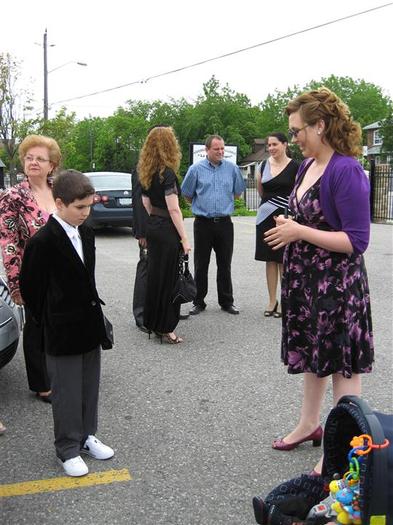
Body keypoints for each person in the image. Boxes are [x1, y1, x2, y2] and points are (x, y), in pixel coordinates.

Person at [264, 88, 374, 473]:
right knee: (315, 359)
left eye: (297, 131)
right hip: (309, 284)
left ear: (320, 125)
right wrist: (290, 226)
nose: (293, 138)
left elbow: (356, 241)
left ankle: (341, 450)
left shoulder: (347, 170)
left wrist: (299, 232)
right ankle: (310, 425)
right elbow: (307, 219)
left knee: (343, 366)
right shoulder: (308, 166)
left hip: (338, 287)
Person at [19, 170, 114, 477]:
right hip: (61, 330)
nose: (86, 214)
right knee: (67, 391)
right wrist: (50, 319)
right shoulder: (43, 242)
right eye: (80, 207)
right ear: (59, 203)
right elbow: (31, 289)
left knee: (89, 386)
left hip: (88, 325)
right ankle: (67, 447)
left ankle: (87, 435)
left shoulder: (86, 232)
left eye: (90, 207)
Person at [0, 134, 62, 403]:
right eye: (29, 158)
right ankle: (41, 383)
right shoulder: (13, 196)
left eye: (40, 158)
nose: (33, 162)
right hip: (33, 272)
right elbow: (8, 241)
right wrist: (15, 282)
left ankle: (60, 370)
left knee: (59, 321)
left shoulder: (60, 190)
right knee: (37, 326)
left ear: (52, 165)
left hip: (63, 270)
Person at [181, 135, 245, 315]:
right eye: (217, 149)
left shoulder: (232, 169)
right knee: (201, 264)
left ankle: (226, 301)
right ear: (207, 150)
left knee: (225, 264)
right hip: (203, 224)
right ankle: (198, 301)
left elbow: (237, 193)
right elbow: (187, 194)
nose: (221, 152)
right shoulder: (195, 169)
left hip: (225, 224)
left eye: (223, 148)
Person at [138, 126, 191, 344]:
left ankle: (153, 323)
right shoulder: (167, 173)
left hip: (153, 227)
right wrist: (184, 238)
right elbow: (174, 209)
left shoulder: (146, 172)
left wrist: (155, 221)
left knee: (154, 277)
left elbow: (146, 204)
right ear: (170, 146)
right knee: (169, 278)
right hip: (167, 229)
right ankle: (167, 327)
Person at [255, 133, 298, 318]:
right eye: (269, 145)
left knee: (283, 259)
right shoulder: (263, 165)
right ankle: (272, 300)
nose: (271, 148)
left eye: (275, 144)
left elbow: (299, 193)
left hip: (286, 218)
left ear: (285, 145)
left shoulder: (296, 166)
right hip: (265, 217)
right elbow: (261, 190)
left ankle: (284, 299)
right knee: (269, 259)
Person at [131, 170, 150, 333]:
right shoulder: (142, 167)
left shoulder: (165, 164)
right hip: (148, 229)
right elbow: (138, 201)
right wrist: (142, 233)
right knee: (145, 268)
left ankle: (163, 310)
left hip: (163, 226)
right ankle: (141, 314)